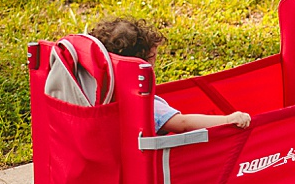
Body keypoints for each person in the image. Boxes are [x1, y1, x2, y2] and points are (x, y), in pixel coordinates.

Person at [89, 17, 252, 134]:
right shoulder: (142, 105)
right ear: (140, 66)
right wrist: (227, 120)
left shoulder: (93, 94)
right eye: (153, 59)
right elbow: (183, 124)